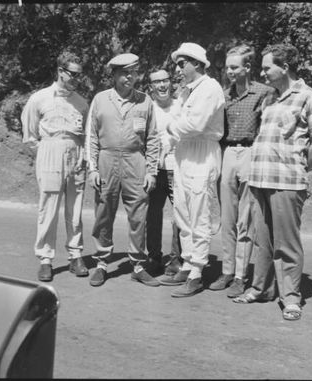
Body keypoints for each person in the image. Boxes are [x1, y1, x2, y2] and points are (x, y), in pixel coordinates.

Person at [233, 43, 312, 321]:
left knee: (286, 243)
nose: (262, 74)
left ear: (284, 67)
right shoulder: (270, 98)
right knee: (263, 240)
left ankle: (291, 298)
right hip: (259, 179)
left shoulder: (310, 97)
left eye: (266, 68)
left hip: (287, 182)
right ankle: (261, 289)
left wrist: (297, 166)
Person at [85, 53, 160, 287]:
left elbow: (154, 138)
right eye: (125, 73)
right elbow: (91, 137)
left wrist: (151, 171)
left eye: (134, 72)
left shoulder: (145, 100)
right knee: (104, 211)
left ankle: (137, 264)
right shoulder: (100, 99)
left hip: (135, 160)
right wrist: (93, 169)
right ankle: (101, 262)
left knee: (139, 212)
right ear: (115, 75)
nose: (130, 77)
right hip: (107, 159)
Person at [209, 44, 274, 298]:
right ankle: (227, 270)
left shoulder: (264, 93)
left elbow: (266, 128)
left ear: (247, 68)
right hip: (227, 154)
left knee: (245, 219)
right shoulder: (223, 96)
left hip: (250, 152)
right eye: (227, 67)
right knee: (227, 217)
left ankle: (240, 276)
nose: (229, 71)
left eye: (234, 67)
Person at [161, 42, 225, 297]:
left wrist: (170, 128)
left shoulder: (210, 88)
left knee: (199, 210)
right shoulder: (185, 92)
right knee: (182, 209)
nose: (178, 69)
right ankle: (188, 263)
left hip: (202, 152)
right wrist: (174, 131)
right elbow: (179, 122)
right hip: (184, 152)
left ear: (196, 64)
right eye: (177, 63)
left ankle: (198, 271)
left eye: (182, 63)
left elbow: (195, 124)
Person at [21, 50, 89, 282]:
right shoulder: (39, 98)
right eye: (73, 74)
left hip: (76, 153)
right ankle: (46, 259)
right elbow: (29, 131)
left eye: (80, 75)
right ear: (61, 71)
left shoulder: (81, 102)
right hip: (50, 150)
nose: (77, 79)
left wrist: (82, 155)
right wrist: (42, 151)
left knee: (76, 208)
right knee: (48, 207)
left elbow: (87, 133)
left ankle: (75, 255)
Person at [146, 69, 182, 276]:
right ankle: (154, 257)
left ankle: (177, 258)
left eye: (165, 81)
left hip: (176, 168)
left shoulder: (181, 105)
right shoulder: (147, 108)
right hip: (154, 169)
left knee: (180, 215)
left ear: (171, 83)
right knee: (152, 214)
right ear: (151, 86)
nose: (162, 85)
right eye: (157, 82)